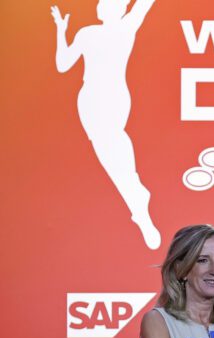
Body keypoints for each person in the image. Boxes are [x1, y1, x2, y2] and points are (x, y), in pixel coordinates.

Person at [50, 0, 161, 249]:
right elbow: (63, 64)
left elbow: (143, 5)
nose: (102, 6)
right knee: (110, 149)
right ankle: (136, 197)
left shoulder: (118, 29)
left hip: (108, 96)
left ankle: (137, 199)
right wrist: (60, 29)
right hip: (94, 99)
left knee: (113, 146)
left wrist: (61, 31)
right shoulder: (94, 32)